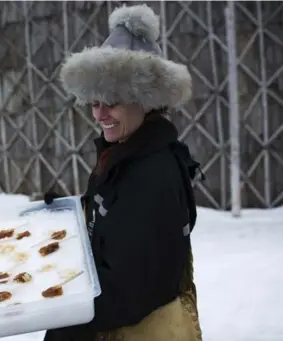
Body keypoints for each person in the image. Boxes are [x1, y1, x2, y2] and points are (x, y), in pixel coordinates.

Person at [42, 4, 204, 341]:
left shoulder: (153, 175)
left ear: (144, 99)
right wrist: (68, 214)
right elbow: (113, 221)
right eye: (93, 102)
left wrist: (52, 305)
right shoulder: (123, 152)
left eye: (111, 101)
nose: (99, 115)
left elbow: (134, 293)